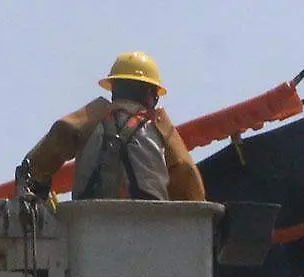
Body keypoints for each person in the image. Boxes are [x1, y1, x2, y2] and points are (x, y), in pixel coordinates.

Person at [18, 51, 206, 202]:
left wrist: (35, 184)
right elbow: (187, 177)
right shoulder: (159, 127)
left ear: (113, 87)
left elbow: (56, 139)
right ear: (152, 94)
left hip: (89, 223)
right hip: (151, 225)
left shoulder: (89, 119)